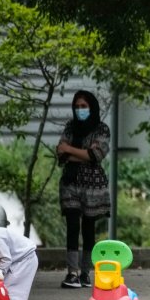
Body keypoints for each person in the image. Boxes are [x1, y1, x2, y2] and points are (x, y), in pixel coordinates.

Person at [56, 90, 110, 289]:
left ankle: (86, 272)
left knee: (88, 228)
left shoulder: (101, 129)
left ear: (92, 107)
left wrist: (70, 150)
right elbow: (60, 154)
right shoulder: (70, 127)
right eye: (77, 107)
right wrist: (82, 154)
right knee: (72, 225)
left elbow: (96, 154)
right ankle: (72, 272)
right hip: (70, 182)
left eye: (84, 106)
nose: (80, 110)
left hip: (93, 186)